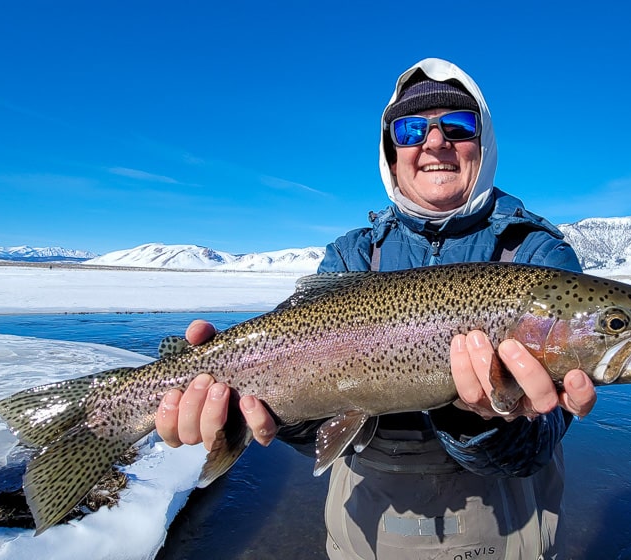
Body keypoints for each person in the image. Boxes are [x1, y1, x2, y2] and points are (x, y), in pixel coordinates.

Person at [155, 58, 597, 559]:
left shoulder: (537, 258)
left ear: (485, 140)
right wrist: (246, 415)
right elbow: (311, 427)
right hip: (366, 524)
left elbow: (538, 446)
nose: (435, 143)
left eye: (458, 125)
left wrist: (483, 421)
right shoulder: (354, 254)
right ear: (391, 150)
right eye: (411, 129)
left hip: (503, 523)